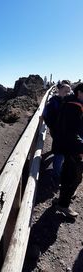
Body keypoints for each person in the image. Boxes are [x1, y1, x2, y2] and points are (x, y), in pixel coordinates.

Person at [54, 84, 83, 218]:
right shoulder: (74, 107)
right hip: (73, 148)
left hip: (68, 146)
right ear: (80, 93)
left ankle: (63, 198)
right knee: (74, 177)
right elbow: (71, 132)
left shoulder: (71, 103)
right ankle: (63, 204)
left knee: (69, 174)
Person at [43, 81, 72, 181]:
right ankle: (56, 175)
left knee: (62, 152)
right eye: (65, 91)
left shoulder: (69, 102)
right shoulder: (53, 102)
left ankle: (59, 172)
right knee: (59, 153)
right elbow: (46, 116)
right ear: (59, 91)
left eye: (69, 91)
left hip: (67, 133)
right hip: (58, 132)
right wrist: (54, 128)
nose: (67, 93)